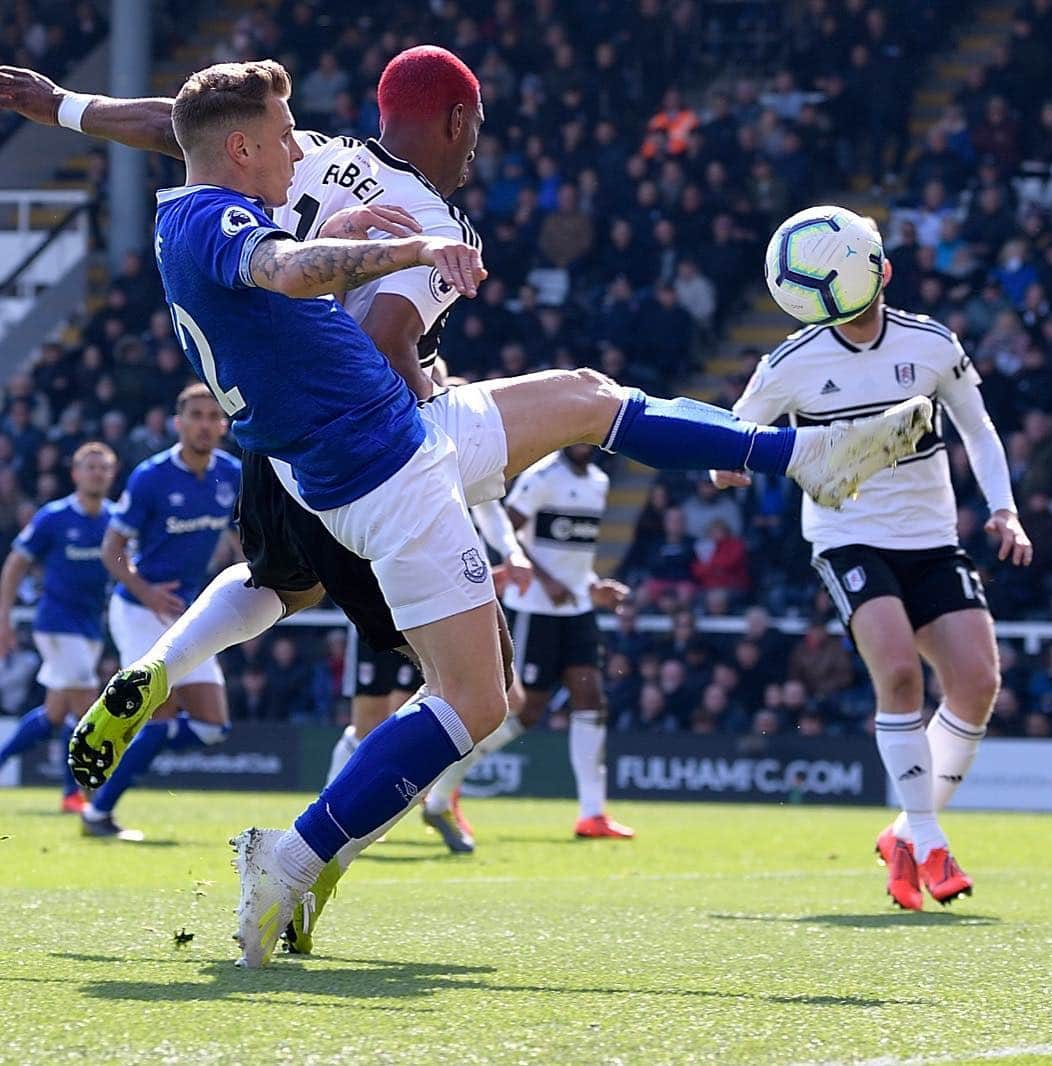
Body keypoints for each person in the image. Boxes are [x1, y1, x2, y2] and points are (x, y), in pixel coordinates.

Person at [34, 58, 926, 966]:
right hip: (382, 464)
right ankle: (294, 858)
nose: (298, 143)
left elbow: (189, 143)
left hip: (329, 443)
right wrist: (413, 254)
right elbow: (299, 276)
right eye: (283, 131)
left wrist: (63, 107)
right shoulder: (324, 217)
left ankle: (801, 454)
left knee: (585, 399)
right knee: (473, 699)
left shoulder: (225, 195)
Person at [714, 245, 1032, 911]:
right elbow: (738, 432)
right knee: (898, 674)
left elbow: (979, 431)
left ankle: (904, 833)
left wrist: (1004, 509)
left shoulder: (933, 344)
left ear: (882, 272)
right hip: (847, 539)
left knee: (977, 685)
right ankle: (928, 837)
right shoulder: (791, 363)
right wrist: (729, 463)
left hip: (932, 539)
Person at [426, 444, 633, 840]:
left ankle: (592, 814)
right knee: (524, 710)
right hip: (535, 610)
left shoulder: (599, 483)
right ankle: (447, 784)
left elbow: (575, 557)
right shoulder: (542, 477)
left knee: (591, 699)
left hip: (576, 610)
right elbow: (512, 533)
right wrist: (545, 579)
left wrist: (593, 587)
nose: (585, 443)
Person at [75, 384, 242, 839]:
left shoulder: (231, 474)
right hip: (138, 609)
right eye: (196, 416)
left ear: (223, 425)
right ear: (178, 423)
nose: (206, 424)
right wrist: (147, 592)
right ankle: (97, 813)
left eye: (214, 416)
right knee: (162, 714)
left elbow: (241, 540)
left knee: (213, 727)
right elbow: (112, 551)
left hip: (188, 611)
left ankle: (120, 738)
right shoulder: (150, 477)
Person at [0, 442, 117, 811]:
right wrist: (3, 615)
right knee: (87, 710)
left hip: (90, 627)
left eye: (103, 467)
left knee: (55, 714)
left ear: (111, 474)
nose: (97, 473)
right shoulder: (53, 516)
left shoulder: (115, 519)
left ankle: (65, 791)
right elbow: (16, 563)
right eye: (90, 467)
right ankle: (82, 795)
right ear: (76, 474)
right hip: (55, 624)